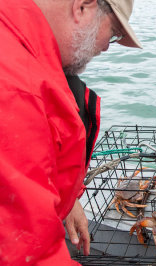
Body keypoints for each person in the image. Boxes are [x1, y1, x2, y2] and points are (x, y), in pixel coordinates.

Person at [0, 0, 141, 264]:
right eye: (113, 33)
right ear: (83, 7)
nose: (107, 46)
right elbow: (25, 255)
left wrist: (67, 200)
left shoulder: (16, 40)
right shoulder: (15, 91)